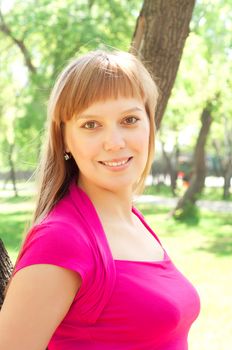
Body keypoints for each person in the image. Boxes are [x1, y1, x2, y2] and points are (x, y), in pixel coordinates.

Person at [0, 49, 200, 350]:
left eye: (130, 119)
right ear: (64, 139)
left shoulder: (135, 221)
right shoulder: (61, 240)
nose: (115, 142)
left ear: (149, 125)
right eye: (91, 125)